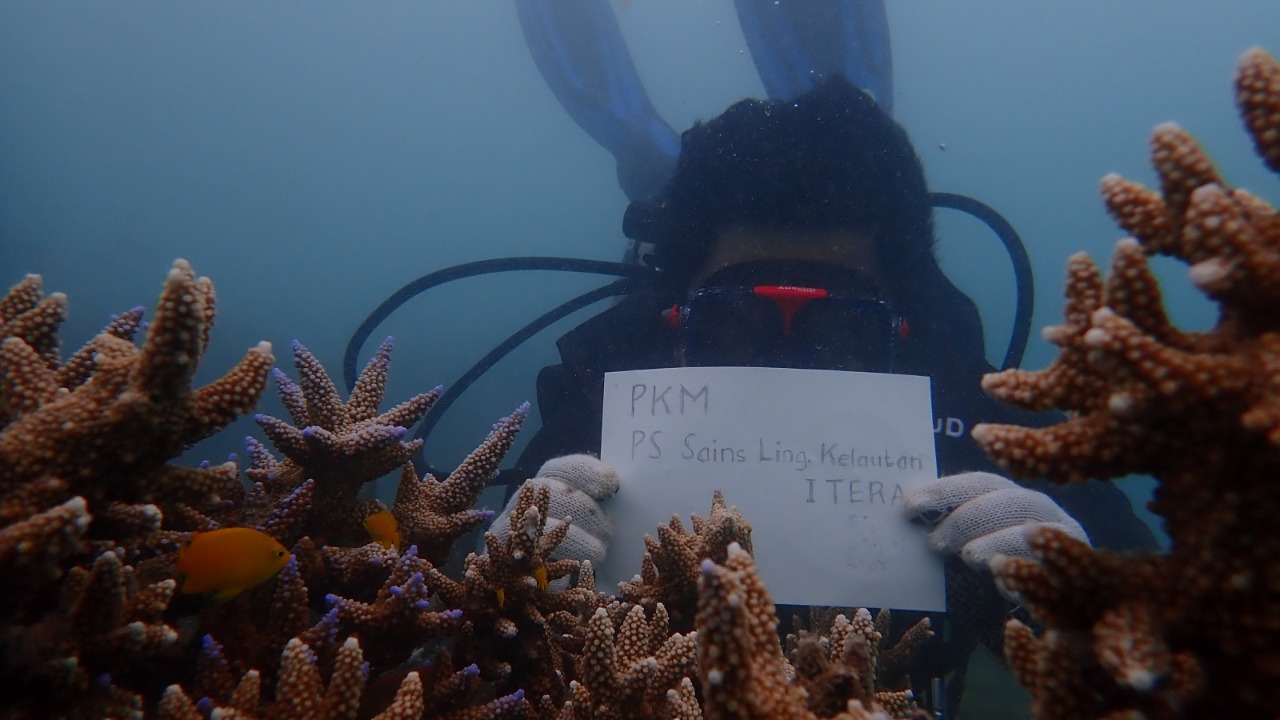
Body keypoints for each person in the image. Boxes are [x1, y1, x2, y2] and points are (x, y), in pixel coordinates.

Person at [482, 3, 1161, 716]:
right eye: (736, 325)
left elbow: (1167, 624)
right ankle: (664, 166)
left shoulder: (960, 400)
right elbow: (489, 642)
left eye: (841, 331)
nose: (787, 369)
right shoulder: (612, 389)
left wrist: (1089, 593)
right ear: (675, 318)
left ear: (902, 330)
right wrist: (506, 586)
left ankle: (770, 139)